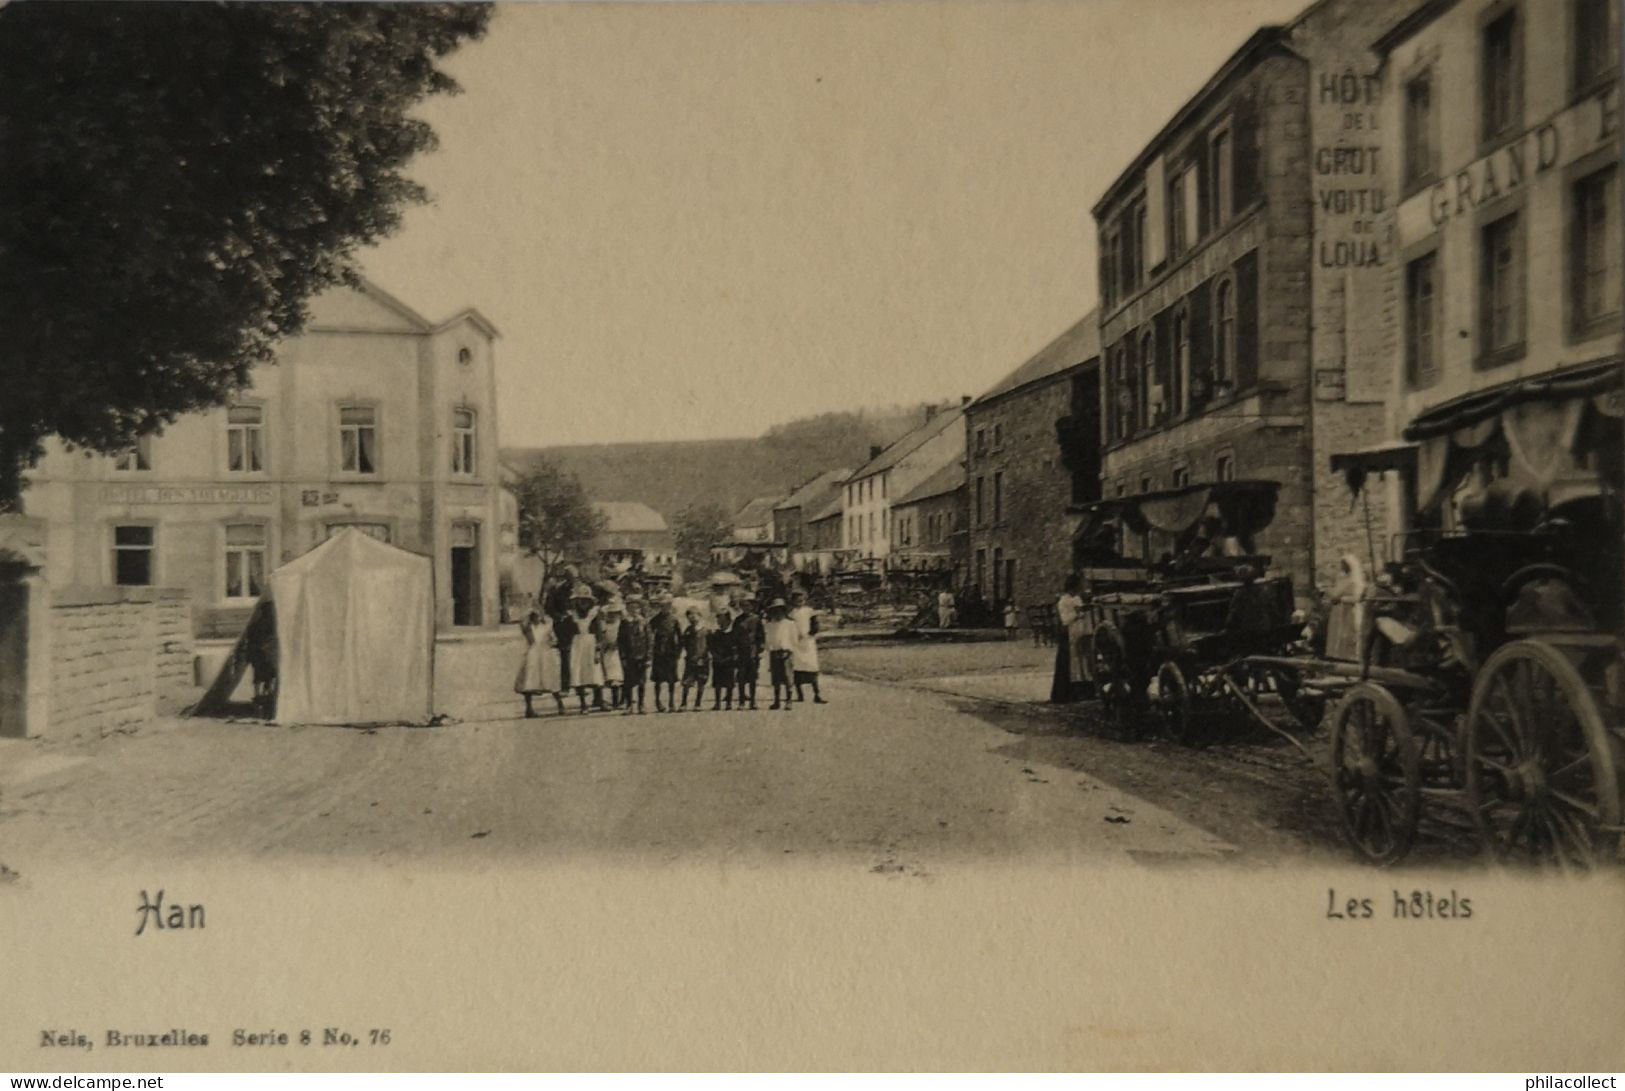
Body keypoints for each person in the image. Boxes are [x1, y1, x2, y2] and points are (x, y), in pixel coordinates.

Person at [555, 584, 603, 714]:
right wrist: (566, 645)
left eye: (586, 601)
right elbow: (565, 632)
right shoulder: (572, 616)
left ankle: (599, 699)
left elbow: (599, 632)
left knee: (594, 672)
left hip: (591, 644)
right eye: (580, 601)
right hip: (577, 645)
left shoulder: (594, 615)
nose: (583, 604)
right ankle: (583, 704)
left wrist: (598, 648)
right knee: (579, 673)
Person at [514, 609, 566, 717]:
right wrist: (528, 613)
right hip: (532, 654)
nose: (536, 618)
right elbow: (522, 623)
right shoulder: (528, 628)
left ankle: (560, 705)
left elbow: (554, 639)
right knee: (529, 680)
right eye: (533, 617)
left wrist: (552, 643)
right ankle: (529, 709)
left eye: (538, 616)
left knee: (550, 680)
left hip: (545, 654)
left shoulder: (547, 627)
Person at [1051, 574, 1090, 703]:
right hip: (1067, 633)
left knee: (1079, 662)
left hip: (1078, 632)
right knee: (1066, 662)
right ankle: (1063, 693)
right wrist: (1077, 614)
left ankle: (1080, 691)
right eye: (1080, 585)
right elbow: (1065, 620)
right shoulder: (1064, 600)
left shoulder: (1076, 599)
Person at [788, 590, 827, 704]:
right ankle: (800, 694)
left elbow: (815, 625)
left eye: (802, 600)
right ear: (793, 601)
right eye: (797, 600)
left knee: (812, 667)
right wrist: (794, 636)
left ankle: (817, 694)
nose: (800, 602)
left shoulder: (810, 611)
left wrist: (809, 634)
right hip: (795, 642)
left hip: (808, 642)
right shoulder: (790, 613)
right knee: (796, 667)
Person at [617, 597, 652, 715]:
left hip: (642, 656)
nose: (634, 610)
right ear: (627, 609)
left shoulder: (644, 622)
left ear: (640, 609)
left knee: (642, 681)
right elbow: (620, 641)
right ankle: (629, 705)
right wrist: (622, 657)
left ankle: (641, 705)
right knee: (628, 682)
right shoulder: (624, 623)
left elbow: (649, 641)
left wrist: (648, 657)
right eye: (631, 608)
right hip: (629, 656)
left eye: (636, 608)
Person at [648, 592, 682, 712]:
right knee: (658, 680)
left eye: (667, 605)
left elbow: (680, 636)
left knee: (671, 679)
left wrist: (678, 651)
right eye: (662, 605)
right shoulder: (655, 620)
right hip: (658, 652)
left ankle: (671, 702)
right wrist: (650, 651)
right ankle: (658, 701)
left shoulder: (674, 620)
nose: (664, 608)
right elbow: (649, 635)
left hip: (670, 651)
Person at [764, 598, 797, 711]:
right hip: (775, 652)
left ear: (784, 611)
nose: (778, 613)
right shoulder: (770, 625)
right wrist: (770, 649)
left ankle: (789, 700)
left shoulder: (790, 624)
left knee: (788, 677)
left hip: (786, 652)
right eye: (775, 611)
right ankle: (777, 700)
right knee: (776, 678)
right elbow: (768, 639)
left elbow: (794, 639)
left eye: (780, 610)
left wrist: (789, 650)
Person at [732, 597, 764, 710]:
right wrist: (735, 651)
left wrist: (760, 650)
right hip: (741, 652)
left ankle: (753, 701)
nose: (746, 608)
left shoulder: (756, 619)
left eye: (748, 606)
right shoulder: (738, 620)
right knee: (741, 677)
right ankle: (741, 701)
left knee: (752, 677)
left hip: (753, 651)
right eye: (743, 606)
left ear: (752, 607)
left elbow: (761, 636)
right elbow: (734, 637)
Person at [707, 607, 739, 711]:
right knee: (717, 682)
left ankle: (728, 703)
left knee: (729, 681)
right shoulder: (715, 633)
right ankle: (717, 703)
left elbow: (736, 645)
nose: (718, 620)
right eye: (718, 617)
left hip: (729, 659)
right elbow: (711, 645)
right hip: (718, 659)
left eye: (720, 617)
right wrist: (714, 655)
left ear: (727, 618)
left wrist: (733, 656)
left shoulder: (733, 632)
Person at [678, 608, 709, 712]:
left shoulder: (706, 630)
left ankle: (698, 703)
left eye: (695, 616)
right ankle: (683, 703)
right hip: (691, 659)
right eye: (690, 617)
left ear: (700, 616)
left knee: (701, 681)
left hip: (703, 659)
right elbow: (683, 643)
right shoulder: (688, 630)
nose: (693, 619)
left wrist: (703, 657)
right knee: (687, 682)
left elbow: (709, 645)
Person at [598, 597, 626, 709]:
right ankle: (612, 700)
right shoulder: (605, 625)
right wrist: (604, 645)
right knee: (610, 676)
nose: (613, 615)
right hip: (608, 652)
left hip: (619, 651)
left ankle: (621, 700)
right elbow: (603, 638)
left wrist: (618, 644)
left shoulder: (621, 624)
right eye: (610, 613)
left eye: (615, 613)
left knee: (619, 676)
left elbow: (624, 637)